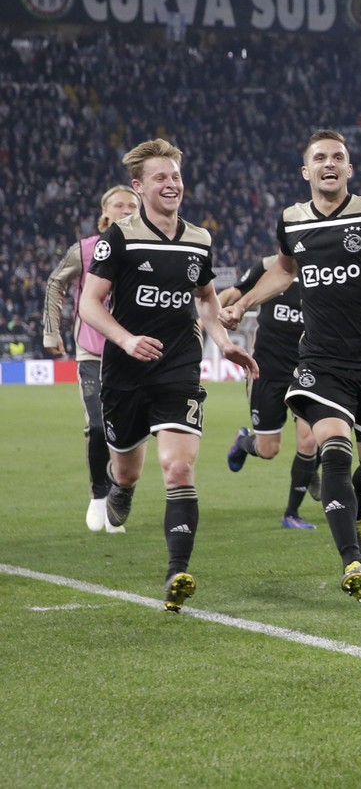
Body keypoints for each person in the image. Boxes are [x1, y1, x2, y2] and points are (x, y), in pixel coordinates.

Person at [219, 130, 361, 600]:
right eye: (320, 157)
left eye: (338, 157)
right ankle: (352, 561)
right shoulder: (291, 220)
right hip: (321, 359)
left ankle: (360, 514)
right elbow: (285, 270)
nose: (329, 163)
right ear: (306, 171)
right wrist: (244, 302)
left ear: (349, 169)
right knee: (332, 446)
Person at [77, 139, 258, 611]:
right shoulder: (119, 237)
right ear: (138, 187)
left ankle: (178, 572)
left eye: (175, 176)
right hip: (124, 373)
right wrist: (125, 340)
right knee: (127, 469)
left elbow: (205, 299)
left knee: (178, 467)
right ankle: (120, 491)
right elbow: (89, 304)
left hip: (179, 367)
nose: (172, 183)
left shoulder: (199, 238)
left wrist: (223, 344)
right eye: (161, 177)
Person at [43, 184, 140, 533]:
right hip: (94, 351)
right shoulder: (85, 250)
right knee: (98, 425)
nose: (126, 208)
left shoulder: (150, 248)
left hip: (136, 353)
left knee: (131, 431)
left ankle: (118, 491)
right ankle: (99, 495)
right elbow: (56, 283)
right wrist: (51, 331)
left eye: (132, 204)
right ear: (106, 213)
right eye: (119, 204)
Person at [219, 255, 319, 529]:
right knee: (268, 449)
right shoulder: (268, 266)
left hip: (307, 368)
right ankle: (243, 442)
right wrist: (214, 311)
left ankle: (291, 514)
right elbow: (235, 292)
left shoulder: (324, 263)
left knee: (309, 440)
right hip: (267, 369)